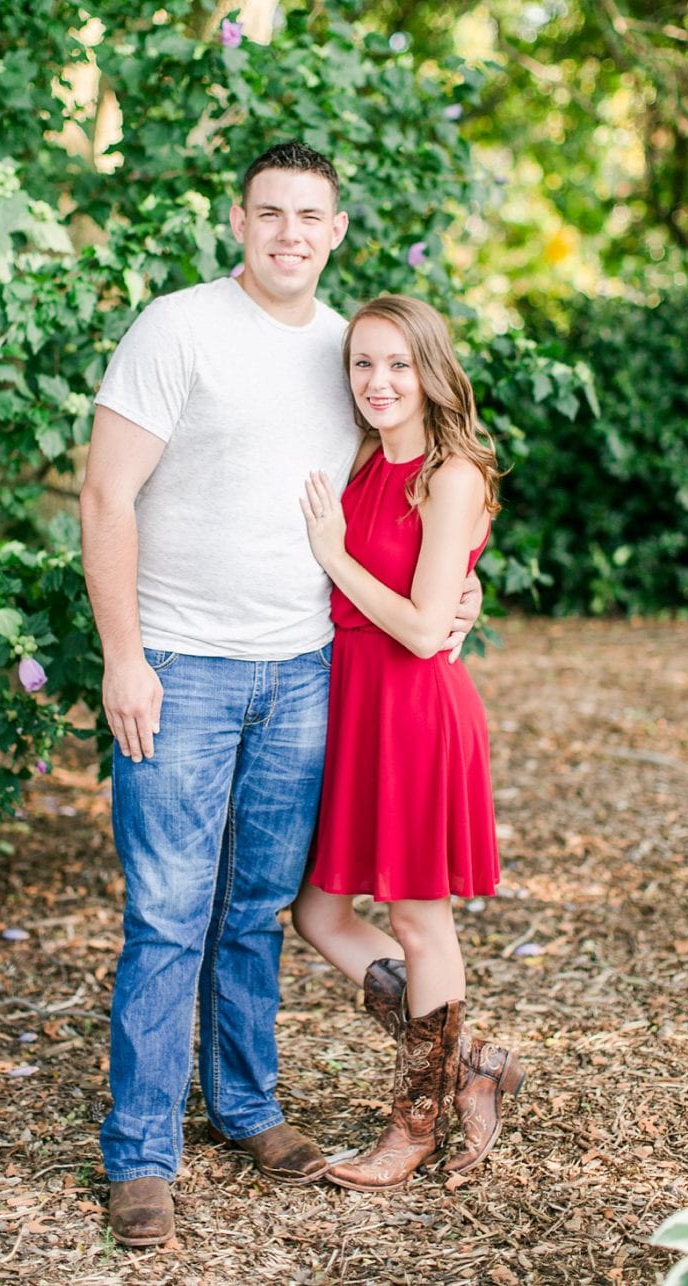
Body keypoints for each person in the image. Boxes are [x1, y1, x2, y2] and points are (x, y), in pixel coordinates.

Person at [78, 141, 481, 1248]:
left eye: (311, 215)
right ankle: (143, 1154)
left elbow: (422, 481)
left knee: (254, 911)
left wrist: (464, 580)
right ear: (240, 220)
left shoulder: (355, 353)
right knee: (166, 916)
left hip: (306, 669)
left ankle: (246, 1108)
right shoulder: (178, 327)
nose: (290, 233)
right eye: (271, 214)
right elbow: (106, 493)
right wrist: (126, 656)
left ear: (338, 228)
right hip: (184, 666)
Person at [290, 294, 524, 1189]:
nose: (379, 382)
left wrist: (333, 555)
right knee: (318, 914)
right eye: (363, 365)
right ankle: (468, 1069)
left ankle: (413, 1124)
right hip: (356, 704)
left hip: (416, 711)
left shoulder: (449, 473)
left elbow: (427, 630)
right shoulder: (361, 464)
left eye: (398, 364)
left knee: (419, 921)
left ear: (431, 372)